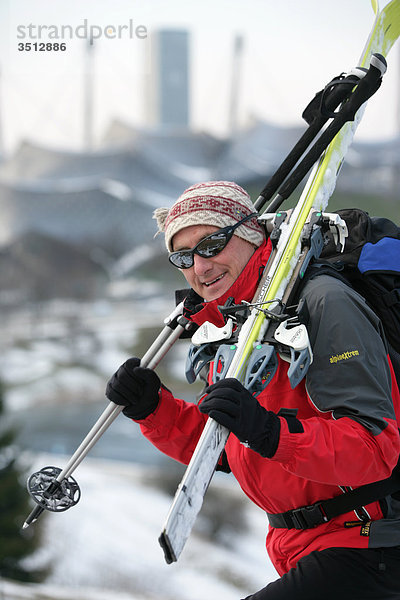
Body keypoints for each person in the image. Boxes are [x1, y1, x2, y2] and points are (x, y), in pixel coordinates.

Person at [106, 180, 400, 599]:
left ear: (249, 234)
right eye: (183, 256)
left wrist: (268, 430)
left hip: (367, 541)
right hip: (300, 545)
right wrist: (153, 410)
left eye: (211, 245)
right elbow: (227, 448)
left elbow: (374, 448)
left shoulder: (323, 303)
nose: (199, 268)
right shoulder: (234, 322)